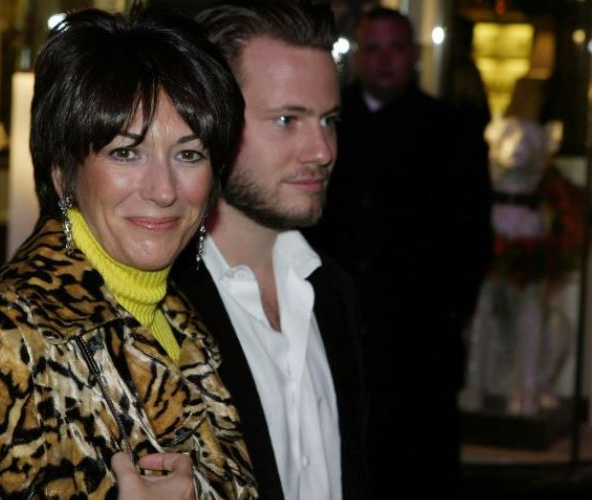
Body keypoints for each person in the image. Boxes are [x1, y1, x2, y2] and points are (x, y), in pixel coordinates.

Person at [0, 6, 258, 499]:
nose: (164, 190)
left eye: (189, 154)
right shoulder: (9, 339)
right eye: (126, 152)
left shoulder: (183, 324)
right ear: (63, 174)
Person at [172, 1, 368, 499]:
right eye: (287, 119)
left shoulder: (333, 292)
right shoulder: (160, 305)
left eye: (329, 120)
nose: (322, 150)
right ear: (211, 119)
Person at [306, 6, 493, 499]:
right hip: (337, 323)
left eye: (395, 48)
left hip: (421, 331)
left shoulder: (452, 127)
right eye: (374, 48)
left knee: (421, 455)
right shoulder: (327, 124)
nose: (385, 59)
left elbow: (473, 232)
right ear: (356, 56)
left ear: (413, 55)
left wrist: (452, 309)